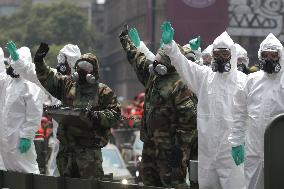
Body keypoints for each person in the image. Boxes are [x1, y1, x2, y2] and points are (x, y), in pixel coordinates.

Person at [161, 21, 246, 189]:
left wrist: (242, 143)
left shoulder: (243, 81)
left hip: (232, 152)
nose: (220, 58)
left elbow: (249, 115)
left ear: (232, 55)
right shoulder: (205, 77)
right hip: (207, 151)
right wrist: (170, 46)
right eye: (217, 54)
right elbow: (184, 65)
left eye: (224, 54)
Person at [119, 25, 198, 188]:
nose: (157, 63)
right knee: (148, 182)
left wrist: (180, 148)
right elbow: (137, 59)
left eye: (161, 61)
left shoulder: (180, 84)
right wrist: (126, 40)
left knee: (172, 184)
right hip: (150, 145)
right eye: (157, 60)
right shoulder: (153, 78)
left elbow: (190, 122)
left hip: (171, 150)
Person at [33, 42, 121, 179]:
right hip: (66, 152)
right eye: (79, 66)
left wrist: (95, 116)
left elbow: (115, 114)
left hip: (89, 153)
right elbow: (48, 77)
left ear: (94, 71)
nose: (81, 70)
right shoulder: (68, 86)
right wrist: (39, 61)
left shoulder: (103, 91)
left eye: (86, 67)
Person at [229, 33, 284, 189]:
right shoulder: (252, 80)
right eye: (265, 55)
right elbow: (239, 112)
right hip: (254, 149)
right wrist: (236, 142)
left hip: (280, 147)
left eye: (273, 55)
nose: (268, 59)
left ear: (280, 56)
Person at [0, 43, 44, 174]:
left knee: (27, 171)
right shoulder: (9, 81)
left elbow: (34, 114)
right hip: (7, 137)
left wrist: (27, 135)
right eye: (12, 60)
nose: (13, 65)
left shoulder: (31, 85)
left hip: (20, 138)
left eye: (17, 60)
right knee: (11, 171)